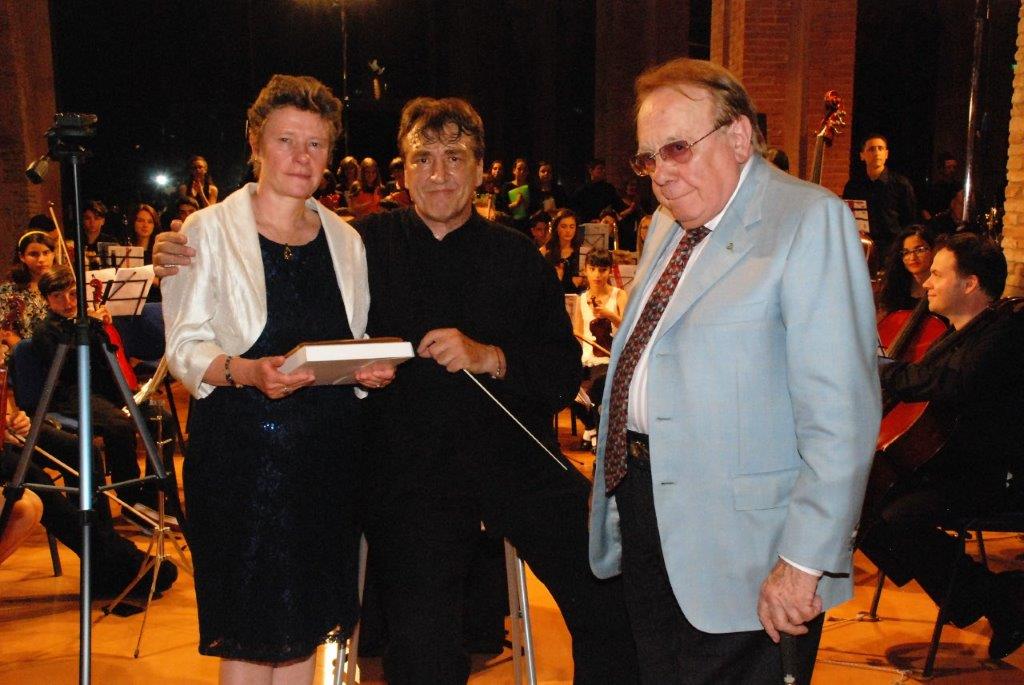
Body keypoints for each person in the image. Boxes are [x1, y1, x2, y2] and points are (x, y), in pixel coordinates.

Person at [154, 95, 638, 685]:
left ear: (480, 170)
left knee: (610, 599)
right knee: (423, 651)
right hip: (411, 478)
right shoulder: (358, 245)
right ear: (403, 171)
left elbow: (562, 373)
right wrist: (175, 249)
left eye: (455, 157)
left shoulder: (517, 255)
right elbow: (275, 260)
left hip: (516, 462)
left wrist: (490, 357)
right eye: (422, 159)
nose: (439, 174)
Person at [588, 57, 880, 684]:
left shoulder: (807, 219)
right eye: (647, 159)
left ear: (740, 136)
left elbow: (842, 418)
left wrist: (803, 562)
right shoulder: (668, 223)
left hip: (750, 547)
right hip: (649, 509)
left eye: (676, 149)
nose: (661, 174)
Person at [160, 74, 391, 685]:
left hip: (327, 461)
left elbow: (349, 341)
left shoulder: (346, 239)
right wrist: (244, 371)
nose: (301, 157)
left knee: (305, 627)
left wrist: (364, 371)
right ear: (257, 143)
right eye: (287, 140)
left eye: (316, 144)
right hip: (241, 461)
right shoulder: (206, 231)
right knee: (250, 631)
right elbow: (183, 345)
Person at [859, 233, 1024, 661]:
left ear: (970, 284)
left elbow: (950, 384)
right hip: (948, 466)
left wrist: (881, 369)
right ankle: (990, 598)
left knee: (893, 519)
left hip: (991, 476)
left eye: (937, 274)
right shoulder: (956, 335)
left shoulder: (1004, 333)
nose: (926, 282)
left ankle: (992, 597)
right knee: (862, 509)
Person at [571, 248, 627, 449]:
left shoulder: (619, 295)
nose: (597, 275)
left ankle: (596, 434)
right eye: (592, 269)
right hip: (586, 358)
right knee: (562, 384)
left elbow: (629, 328)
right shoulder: (581, 299)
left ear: (609, 271)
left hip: (607, 358)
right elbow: (578, 333)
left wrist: (610, 315)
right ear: (585, 270)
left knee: (597, 386)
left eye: (602, 270)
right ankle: (591, 427)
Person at [842, 134, 917, 272]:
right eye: (871, 149)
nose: (877, 153)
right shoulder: (853, 186)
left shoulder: (901, 184)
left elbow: (910, 221)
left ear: (886, 154)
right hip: (862, 248)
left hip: (892, 250)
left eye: (880, 148)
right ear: (862, 155)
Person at [0, 231, 56, 359]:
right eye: (33, 254)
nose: (41, 260)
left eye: (46, 253)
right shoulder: (8, 291)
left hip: (59, 353)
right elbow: (5, 332)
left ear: (53, 254)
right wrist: (29, 354)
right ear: (22, 257)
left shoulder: (63, 287)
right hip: (23, 356)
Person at [876, 226, 936, 319]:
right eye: (906, 252)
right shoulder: (894, 287)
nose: (912, 257)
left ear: (933, 251)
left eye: (919, 250)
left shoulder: (941, 288)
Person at [543, 208, 586, 293]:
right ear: (556, 228)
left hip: (576, 297)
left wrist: (583, 280)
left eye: (572, 227)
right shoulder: (545, 251)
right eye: (563, 226)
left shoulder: (582, 252)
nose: (568, 231)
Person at [571, 157, 625, 222]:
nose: (603, 171)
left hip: (606, 223)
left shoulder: (609, 188)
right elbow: (576, 210)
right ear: (591, 171)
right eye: (600, 168)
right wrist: (589, 219)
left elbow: (618, 206)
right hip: (588, 224)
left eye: (604, 169)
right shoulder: (582, 190)